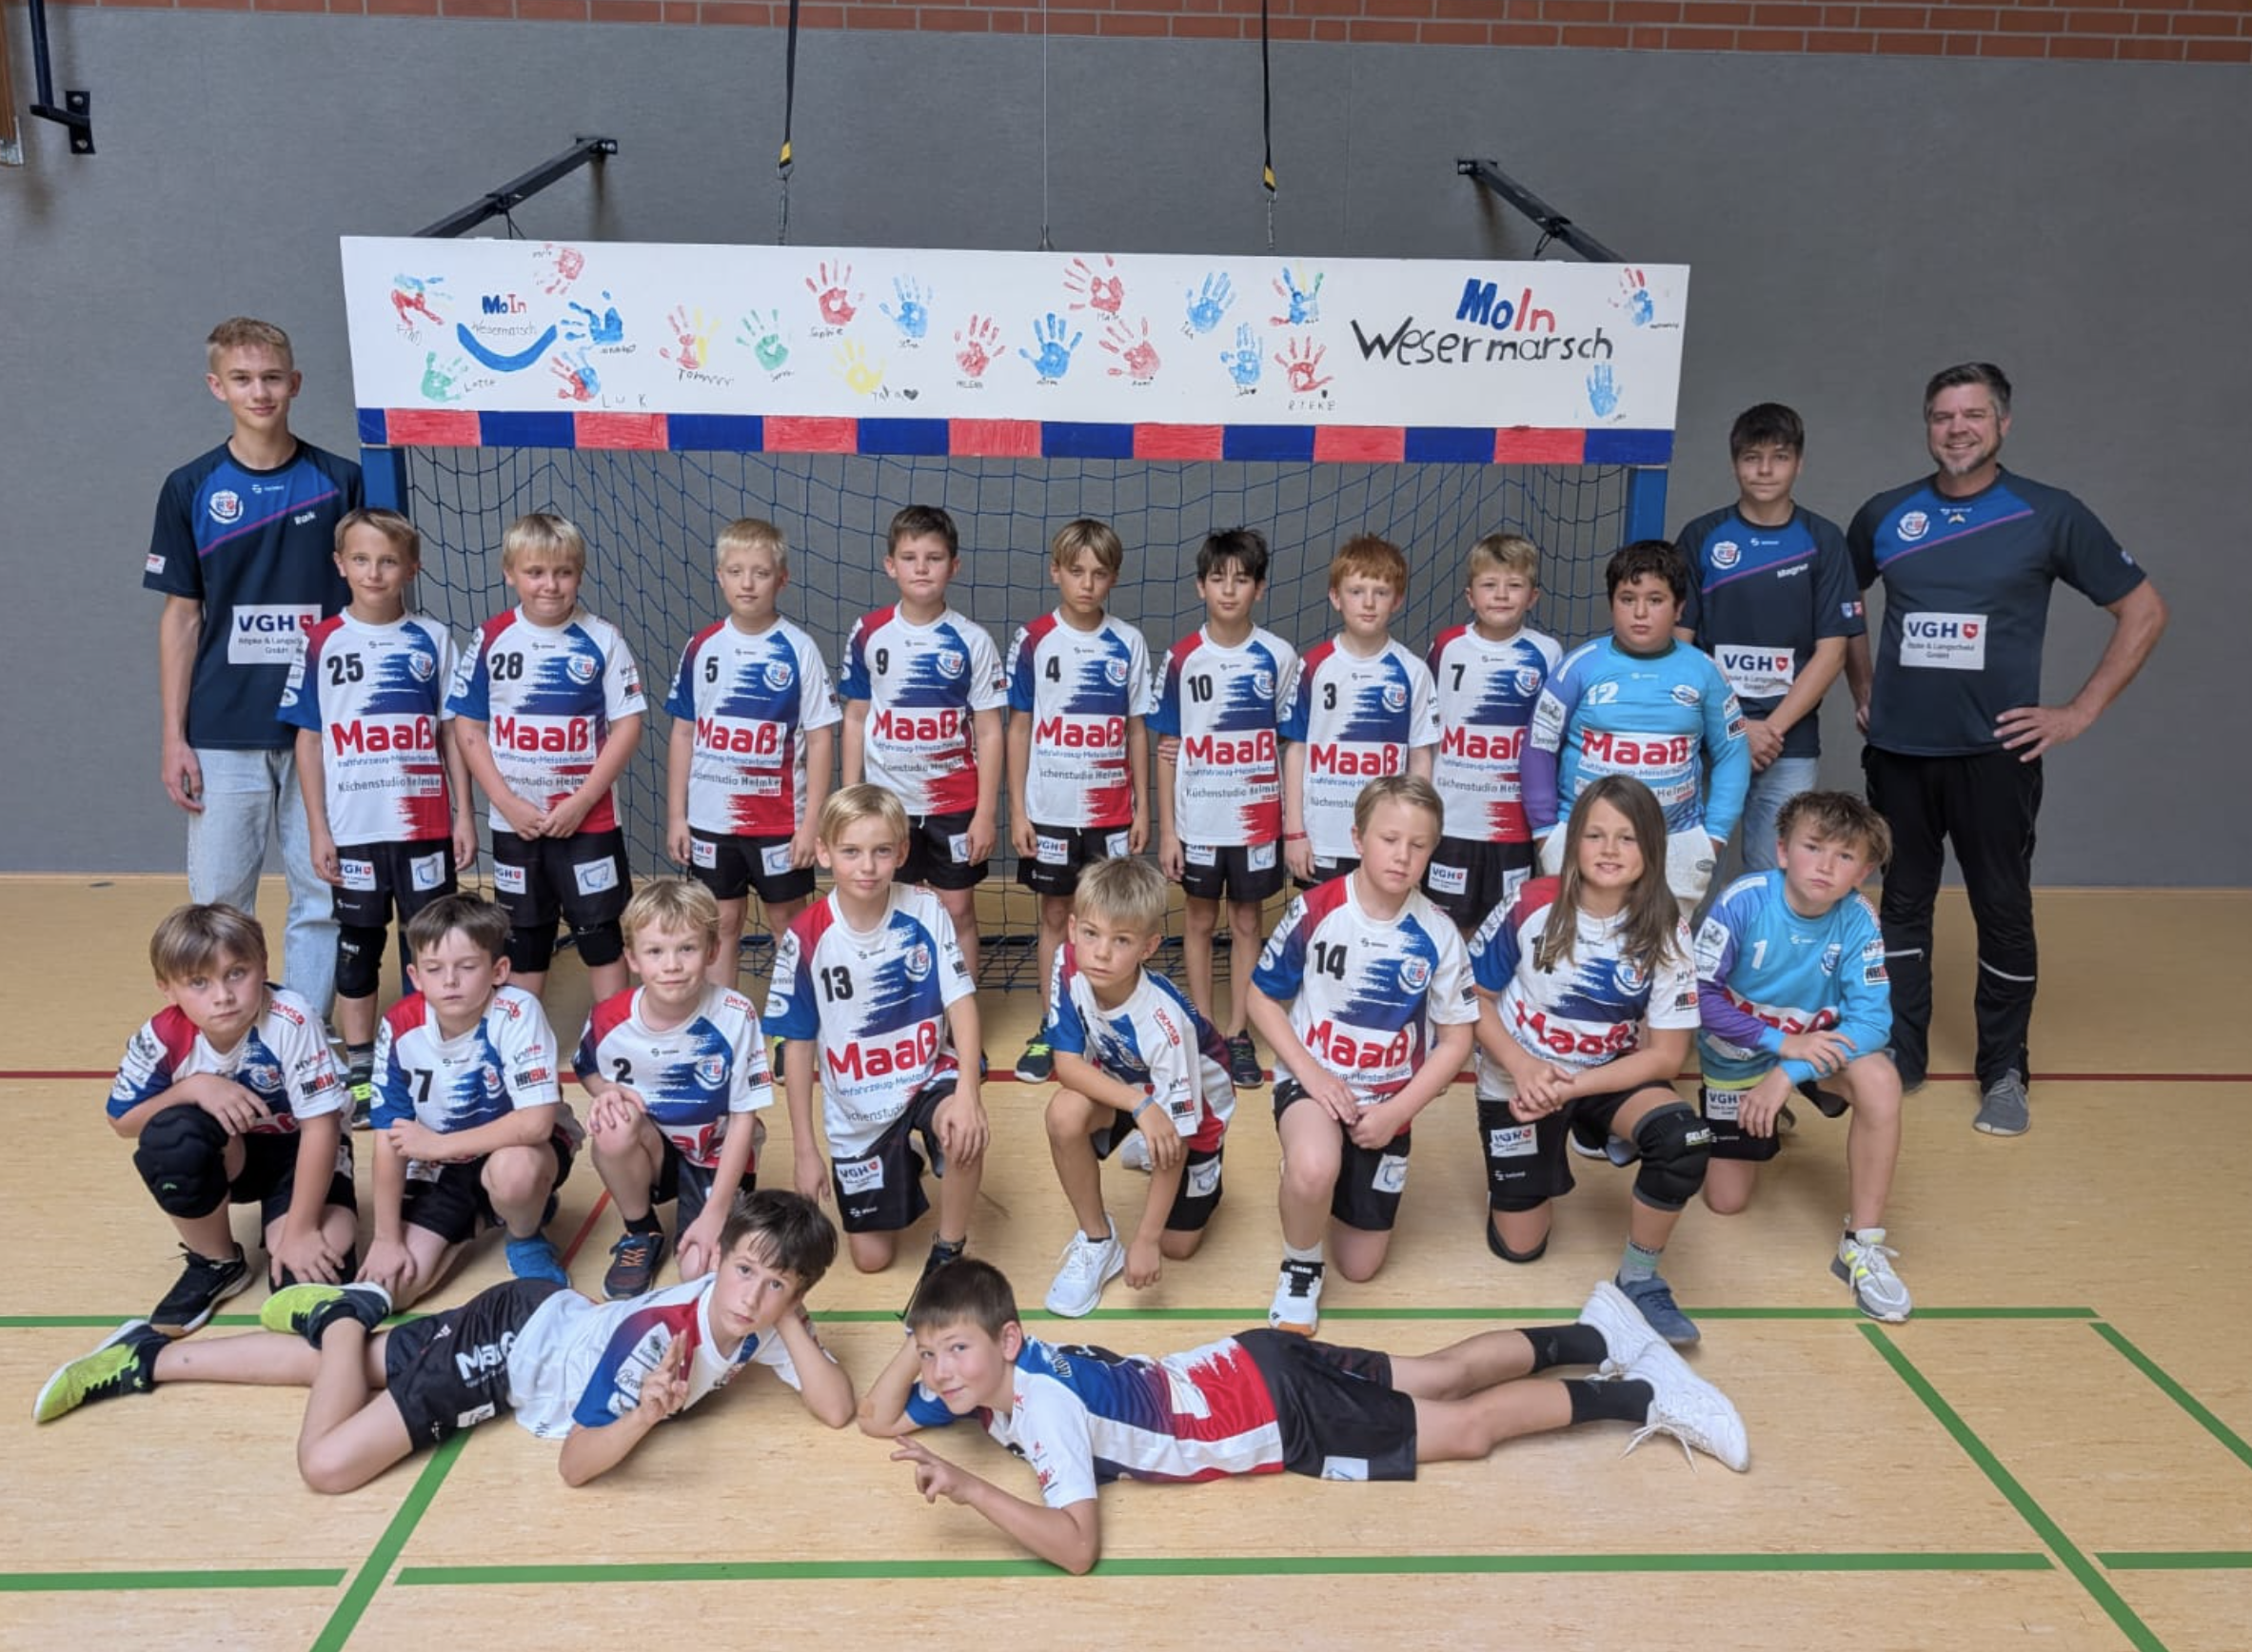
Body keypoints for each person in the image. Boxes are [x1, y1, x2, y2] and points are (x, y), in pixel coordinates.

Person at [859, 1259, 1747, 1575]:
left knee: (1467, 1429)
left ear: (1006, 1340)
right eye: (930, 1356)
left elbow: (1077, 1548)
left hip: (1280, 1415)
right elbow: (875, 1416)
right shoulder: (1005, 1366)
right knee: (1438, 1374)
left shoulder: (1041, 1407)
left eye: (956, 1351)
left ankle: (1644, 1394)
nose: (940, 1374)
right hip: (1251, 1358)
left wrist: (971, 1490)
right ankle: (1600, 1330)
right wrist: (926, 1332)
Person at [1846, 363, 2166, 1135]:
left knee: (2002, 907)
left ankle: (2004, 1069)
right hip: (1900, 752)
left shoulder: (2048, 514)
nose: (1956, 429)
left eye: (1973, 415)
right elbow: (1842, 606)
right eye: (1942, 416)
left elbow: (2145, 610)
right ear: (1928, 425)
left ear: (2003, 424)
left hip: (1995, 757)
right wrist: (1864, 686)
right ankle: (1903, 1052)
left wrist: (2079, 711)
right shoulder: (1886, 513)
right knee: (1903, 906)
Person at [36, 1190, 855, 1492]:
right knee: (327, 1466)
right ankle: (342, 1313)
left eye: (777, 1286)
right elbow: (576, 1467)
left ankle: (147, 1355)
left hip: (537, 1318)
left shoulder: (759, 1318)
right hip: (508, 1350)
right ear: (722, 1260)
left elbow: (836, 1409)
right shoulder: (656, 1341)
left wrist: (788, 1315)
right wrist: (644, 1414)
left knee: (350, 1370)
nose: (752, 1297)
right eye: (745, 1272)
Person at [147, 317, 363, 1021]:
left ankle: (305, 1035)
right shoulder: (190, 486)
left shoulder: (341, 482)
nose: (259, 391)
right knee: (218, 906)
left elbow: (373, 604)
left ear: (295, 383)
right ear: (217, 387)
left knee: (322, 895)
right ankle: (227, 1033)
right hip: (223, 728)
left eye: (272, 377)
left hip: (322, 731)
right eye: (242, 379)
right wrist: (174, 736)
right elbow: (182, 617)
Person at [1468, 776, 1712, 1345]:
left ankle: (1639, 1279)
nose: (1609, 850)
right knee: (1520, 1247)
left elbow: (1667, 1056)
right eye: (1596, 835)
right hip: (1520, 1078)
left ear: (1651, 848)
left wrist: (1573, 1088)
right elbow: (1471, 998)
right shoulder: (1531, 903)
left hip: (1602, 1078)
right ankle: (1537, 1157)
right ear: (1573, 841)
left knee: (1685, 1140)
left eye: (1627, 838)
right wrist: (1524, 1068)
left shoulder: (1666, 928)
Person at [1246, 775, 1476, 1337]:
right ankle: (1301, 1262)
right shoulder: (1316, 908)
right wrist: (1314, 1075)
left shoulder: (1439, 934)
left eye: (1418, 845)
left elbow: (1457, 1041)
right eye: (1389, 839)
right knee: (1313, 1168)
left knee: (1360, 1266)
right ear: (1357, 838)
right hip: (1315, 1084)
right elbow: (1260, 999)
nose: (1402, 856)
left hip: (1385, 1102)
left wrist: (1398, 1112)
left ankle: (1322, 1175)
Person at [279, 507, 478, 1124]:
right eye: (361, 560)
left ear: (411, 568)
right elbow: (310, 741)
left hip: (424, 827)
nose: (374, 572)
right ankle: (363, 1067)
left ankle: (435, 1051)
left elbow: (451, 734)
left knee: (433, 943)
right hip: (354, 829)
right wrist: (317, 828)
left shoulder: (432, 639)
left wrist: (464, 816)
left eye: (388, 561)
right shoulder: (321, 642)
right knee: (358, 947)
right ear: (340, 565)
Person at [765, 785, 990, 1307]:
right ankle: (903, 1158)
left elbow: (961, 1002)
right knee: (871, 1258)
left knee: (964, 1130)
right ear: (823, 853)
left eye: (881, 851)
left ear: (902, 853)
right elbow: (797, 1048)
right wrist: (805, 1151)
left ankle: (949, 1249)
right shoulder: (806, 937)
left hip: (926, 1075)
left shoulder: (926, 910)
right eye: (851, 851)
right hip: (859, 1107)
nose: (867, 866)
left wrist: (969, 1095)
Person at [1693, 792, 1909, 1321]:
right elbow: (1697, 996)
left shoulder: (1858, 917)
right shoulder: (1743, 900)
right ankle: (1751, 1110)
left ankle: (1862, 1244)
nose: (1826, 866)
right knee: (1726, 1201)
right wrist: (1776, 1045)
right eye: (1813, 847)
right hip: (1738, 1055)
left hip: (1814, 1054)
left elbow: (1873, 1022)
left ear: (1863, 871)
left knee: (1881, 1080)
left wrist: (1788, 1070)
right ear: (1783, 850)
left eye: (1845, 856)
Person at [104, 904, 358, 1336]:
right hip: (231, 1153)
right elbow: (123, 1121)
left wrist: (298, 1231)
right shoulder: (161, 1036)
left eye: (236, 973)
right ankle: (217, 1261)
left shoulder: (291, 1019)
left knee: (306, 1285)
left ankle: (290, 1222)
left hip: (303, 1153)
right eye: (199, 982)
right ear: (167, 989)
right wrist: (194, 1088)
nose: (222, 995)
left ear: (263, 966)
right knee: (170, 1137)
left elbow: (322, 1127)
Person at [446, 510, 646, 1005]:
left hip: (589, 822)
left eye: (563, 572)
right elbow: (468, 728)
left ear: (579, 573)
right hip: (517, 823)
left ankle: (612, 1034)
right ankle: (524, 1039)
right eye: (535, 572)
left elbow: (627, 726)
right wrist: (506, 803)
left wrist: (582, 801)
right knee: (524, 939)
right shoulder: (491, 638)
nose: (550, 585)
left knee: (601, 937)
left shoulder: (602, 638)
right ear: (509, 573)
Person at [1038, 856, 1235, 1317]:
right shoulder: (1067, 964)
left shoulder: (1164, 1025)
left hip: (1196, 1112)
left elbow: (1178, 1139)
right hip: (1129, 1088)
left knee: (1176, 1246)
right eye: (1091, 934)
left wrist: (1146, 1240)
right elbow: (1067, 1065)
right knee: (1064, 1113)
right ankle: (1097, 1240)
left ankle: (1176, 1157)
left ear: (1149, 947)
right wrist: (1140, 1105)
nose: (1101, 953)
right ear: (1073, 929)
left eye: (1122, 940)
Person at [361, 893, 582, 1303]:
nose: (450, 980)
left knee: (515, 1173)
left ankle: (524, 1234)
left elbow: (535, 1124)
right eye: (434, 969)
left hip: (520, 1150)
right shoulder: (399, 1025)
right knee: (395, 1288)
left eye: (466, 967)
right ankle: (484, 1214)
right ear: (415, 976)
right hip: (443, 1164)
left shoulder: (517, 1012)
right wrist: (386, 1238)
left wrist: (438, 1145)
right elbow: (389, 1136)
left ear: (498, 971)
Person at [1674, 404, 1863, 872]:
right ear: (1733, 463)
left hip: (1787, 743)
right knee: (1687, 870)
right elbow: (1679, 646)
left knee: (1774, 875)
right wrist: (1736, 728)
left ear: (1799, 463)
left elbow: (1833, 652)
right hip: (1704, 735)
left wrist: (1770, 730)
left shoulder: (1823, 540)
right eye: (1751, 457)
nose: (1764, 469)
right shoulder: (1701, 536)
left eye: (1779, 457)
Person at [1523, 539, 1750, 915]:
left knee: (1661, 949)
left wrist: (1714, 836)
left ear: (1679, 608)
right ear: (1612, 603)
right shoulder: (1577, 667)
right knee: (1581, 947)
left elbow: (1733, 753)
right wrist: (1546, 832)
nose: (1640, 613)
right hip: (1584, 839)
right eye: (1627, 599)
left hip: (1676, 842)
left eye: (1655, 600)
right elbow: (1537, 748)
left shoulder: (1706, 671)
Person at [1005, 518, 1155, 1083]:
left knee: (1110, 920)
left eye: (1099, 573)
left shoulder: (1128, 643)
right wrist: (1017, 810)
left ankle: (1107, 1030)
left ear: (1113, 578)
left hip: (1111, 814)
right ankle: (1053, 1026)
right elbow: (1020, 726)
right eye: (1076, 571)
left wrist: (1142, 807)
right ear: (1056, 573)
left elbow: (1136, 729)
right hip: (1050, 811)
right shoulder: (1034, 639)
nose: (1087, 584)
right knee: (1055, 917)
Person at [575, 879, 776, 1299]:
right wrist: (606, 1090)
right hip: (653, 1149)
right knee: (612, 1125)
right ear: (632, 958)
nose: (672, 965)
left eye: (687, 948)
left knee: (699, 1270)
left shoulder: (735, 1016)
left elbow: (744, 1119)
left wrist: (716, 1213)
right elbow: (587, 1068)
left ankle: (710, 1207)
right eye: (655, 951)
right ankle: (641, 1231)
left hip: (715, 1151)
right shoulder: (609, 1018)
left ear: (712, 951)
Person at [663, 518, 840, 992]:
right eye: (736, 571)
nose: (747, 583)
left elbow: (821, 738)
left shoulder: (798, 649)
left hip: (779, 821)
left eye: (760, 573)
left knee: (788, 921)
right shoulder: (702, 647)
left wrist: (811, 823)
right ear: (719, 576)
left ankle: (793, 1020)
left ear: (781, 579)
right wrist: (678, 816)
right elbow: (683, 733)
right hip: (711, 822)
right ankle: (724, 1019)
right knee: (720, 923)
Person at [1151, 527, 1299, 1090]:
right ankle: (1204, 1028)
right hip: (1199, 822)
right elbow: (1167, 749)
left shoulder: (1278, 657)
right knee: (1197, 920)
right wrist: (1168, 833)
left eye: (1242, 580)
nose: (1229, 590)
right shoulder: (1182, 658)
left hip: (1257, 822)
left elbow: (1292, 742)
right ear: (1201, 586)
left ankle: (1238, 1032)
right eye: (1219, 579)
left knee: (1246, 922)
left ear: (1260, 588)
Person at [839, 504, 1007, 986]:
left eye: (933, 558)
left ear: (953, 566)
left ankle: (960, 1011)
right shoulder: (869, 633)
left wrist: (984, 813)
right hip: (888, 804)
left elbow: (990, 731)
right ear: (890, 565)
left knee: (957, 908)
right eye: (910, 558)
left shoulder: (971, 641)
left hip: (954, 805)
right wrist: (851, 800)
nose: (921, 568)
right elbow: (855, 717)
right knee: (889, 908)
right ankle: (901, 1007)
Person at [1279, 535, 1439, 889]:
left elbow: (1420, 758)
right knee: (1321, 920)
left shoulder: (1413, 672)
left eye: (1380, 592)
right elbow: (1297, 750)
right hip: (1322, 837)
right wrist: (1294, 832)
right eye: (1356, 591)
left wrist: (1415, 831)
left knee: (1383, 921)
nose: (1368, 603)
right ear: (1336, 597)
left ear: (1397, 600)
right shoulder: (1314, 666)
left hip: (1388, 840)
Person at [1424, 531, 1562, 930]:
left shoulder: (1547, 653)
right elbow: (1425, 729)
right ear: (1470, 596)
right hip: (1452, 818)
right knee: (1447, 926)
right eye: (1489, 585)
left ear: (1533, 597)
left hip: (1513, 823)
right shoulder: (1447, 646)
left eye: (1514, 585)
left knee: (1506, 926)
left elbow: (1552, 738)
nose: (1501, 595)